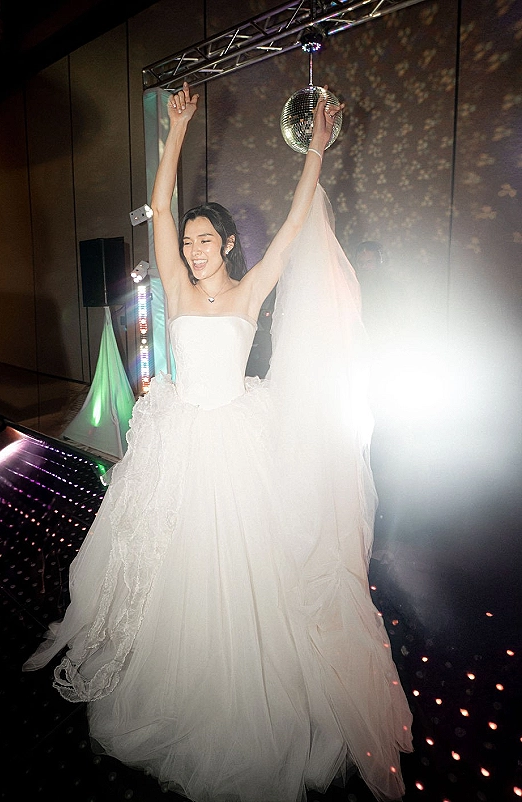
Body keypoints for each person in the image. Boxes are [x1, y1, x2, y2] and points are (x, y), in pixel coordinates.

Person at [24, 82, 412, 802]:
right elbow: (162, 205)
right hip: (178, 439)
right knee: (169, 567)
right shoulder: (173, 284)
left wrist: (317, 151)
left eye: (206, 242)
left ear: (228, 244)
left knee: (245, 570)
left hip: (236, 438)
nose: (194, 251)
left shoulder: (249, 290)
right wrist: (174, 134)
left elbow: (296, 228)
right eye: (189, 244)